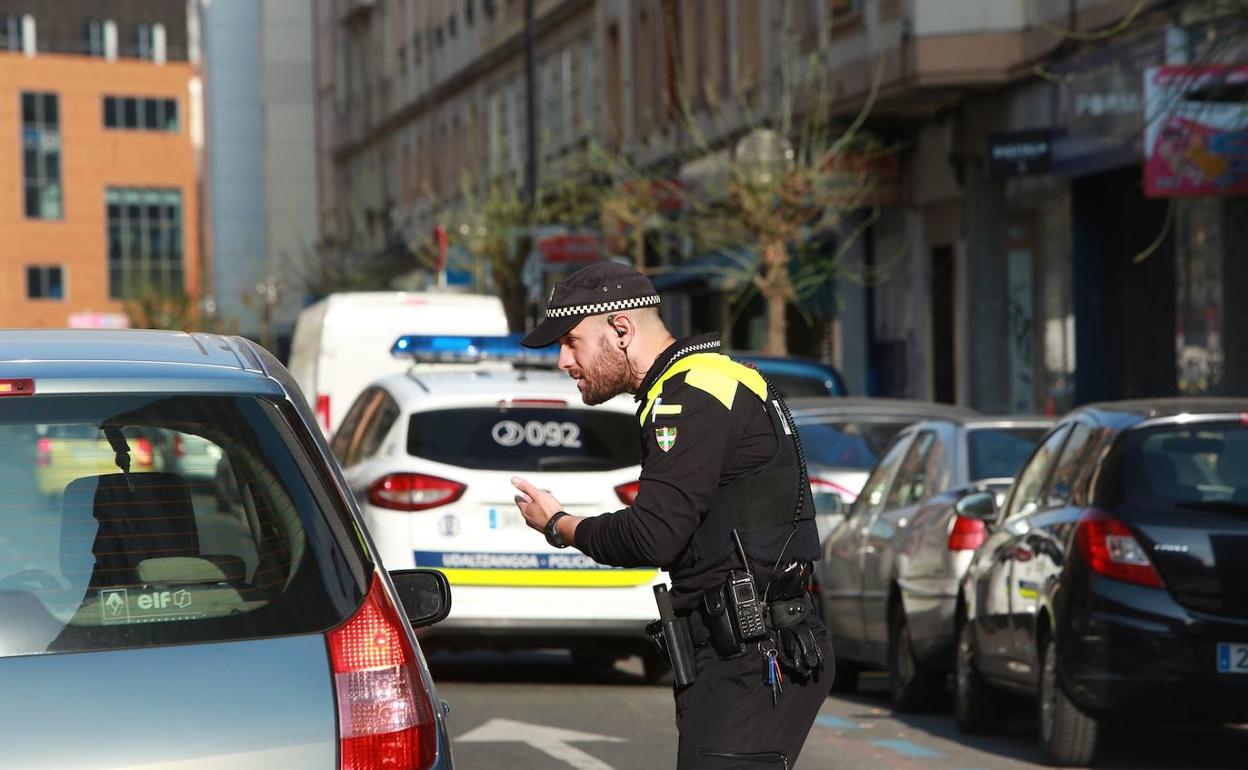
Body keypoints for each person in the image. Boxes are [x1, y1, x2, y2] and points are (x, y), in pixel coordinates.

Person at [511, 261, 831, 769]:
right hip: (751, 645)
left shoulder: (690, 397)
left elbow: (652, 536)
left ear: (620, 329)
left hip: (749, 655)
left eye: (570, 342)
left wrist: (560, 525)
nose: (563, 362)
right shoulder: (711, 378)